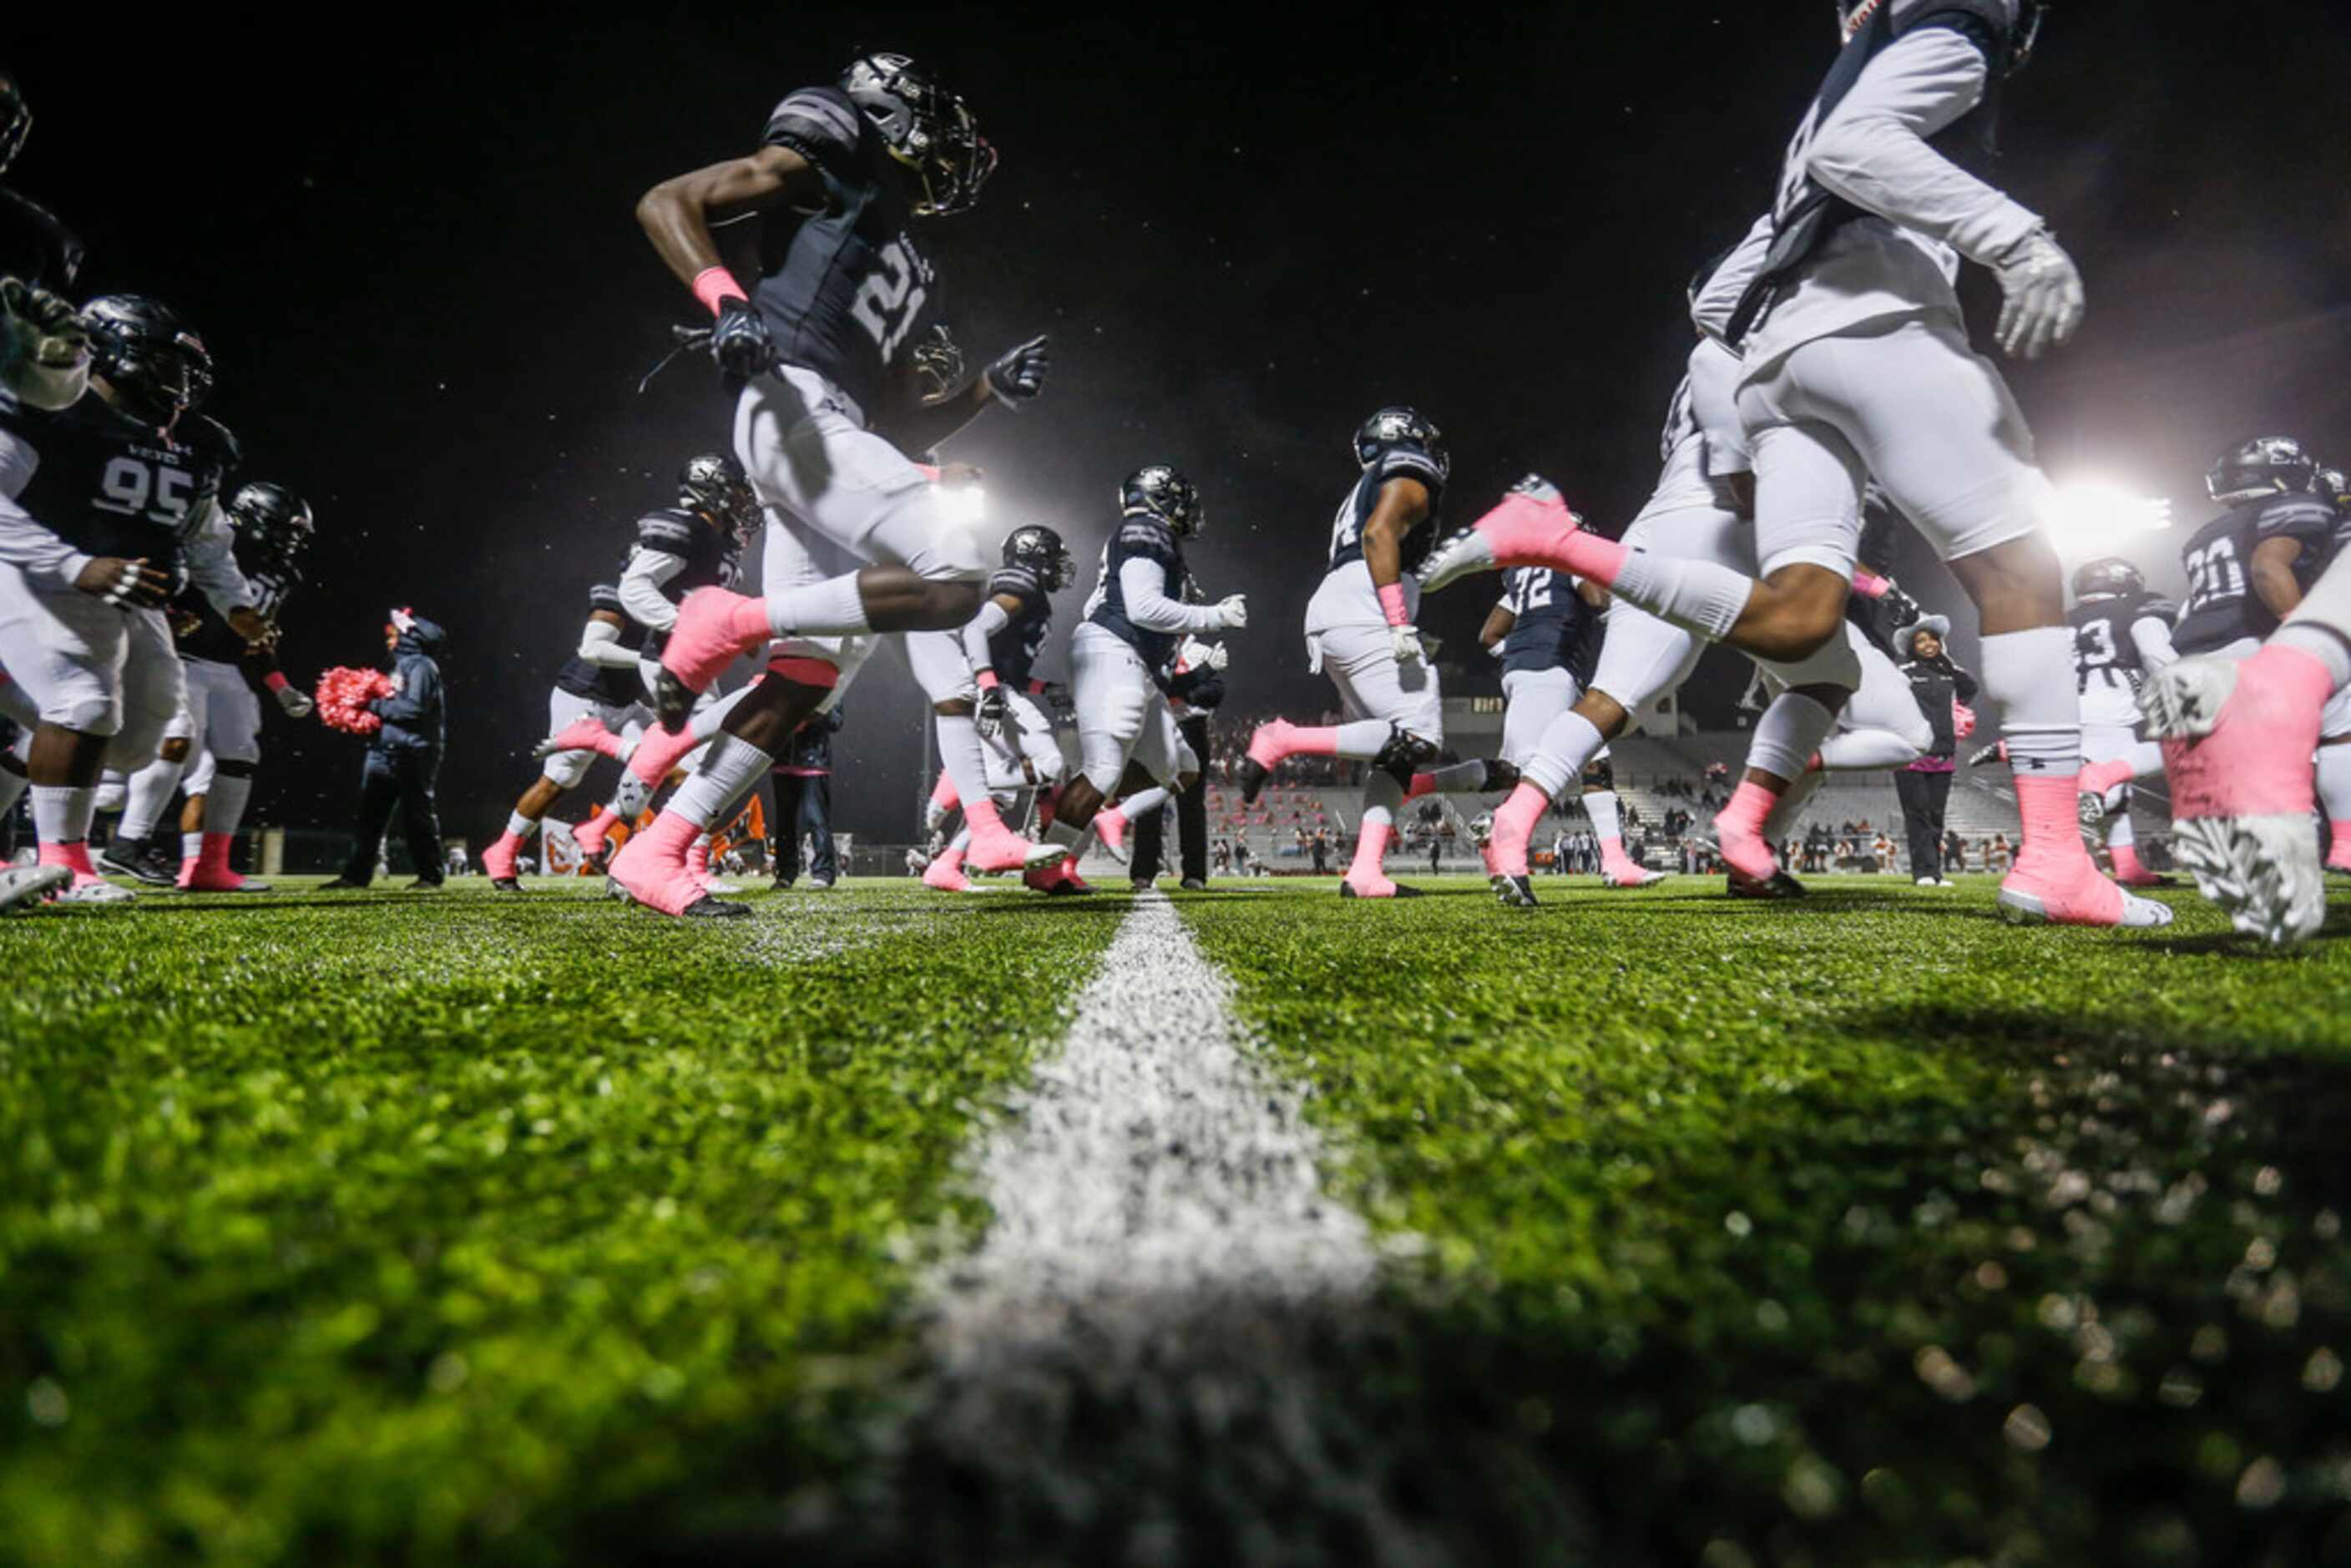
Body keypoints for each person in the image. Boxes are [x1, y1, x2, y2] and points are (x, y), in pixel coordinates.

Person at [1423, 3, 2161, 930]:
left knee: (1799, 633)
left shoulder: (1822, 110)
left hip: (1780, 369)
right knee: (2021, 570)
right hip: (1865, 337)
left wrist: (1785, 366)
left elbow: (1727, 297)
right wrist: (2015, 241)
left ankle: (1572, 568)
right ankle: (2054, 857)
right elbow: (1854, 147)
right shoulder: (1943, 31)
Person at [616, 53, 1060, 917]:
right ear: (895, 113)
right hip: (789, 401)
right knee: (957, 573)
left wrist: (985, 394)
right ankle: (726, 619)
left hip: (831, 433)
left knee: (807, 675)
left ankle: (657, 852)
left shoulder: (910, 248)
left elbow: (896, 428)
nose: (954, 146)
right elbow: (666, 201)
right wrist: (725, 301)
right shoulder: (837, 145)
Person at [0, 294, 262, 903]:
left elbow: (205, 537)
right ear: (115, 352)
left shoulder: (198, 443)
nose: (182, 386)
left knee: (138, 737)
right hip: (40, 577)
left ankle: (22, 714)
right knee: (82, 703)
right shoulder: (51, 411)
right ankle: (67, 868)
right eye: (168, 367)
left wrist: (236, 605)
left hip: (132, 598)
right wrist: (74, 563)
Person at [1239, 408, 1510, 898]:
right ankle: (1283, 737)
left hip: (1340, 605)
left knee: (1396, 756)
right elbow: (1377, 535)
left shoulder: (1364, 486)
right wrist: (1398, 620)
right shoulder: (1408, 469)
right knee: (1420, 734)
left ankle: (1365, 872)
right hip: (1364, 605)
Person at [102, 481, 318, 890]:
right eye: (287, 529)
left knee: (241, 754)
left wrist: (281, 687)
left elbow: (257, 640)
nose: (291, 541)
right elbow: (164, 582)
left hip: (227, 668)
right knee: (178, 737)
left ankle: (210, 866)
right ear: (257, 517)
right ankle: (129, 841)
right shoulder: (212, 545)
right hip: (181, 658)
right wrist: (165, 615)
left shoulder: (283, 573)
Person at [1034, 466, 1241, 866]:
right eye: (1179, 499)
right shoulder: (1146, 528)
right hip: (1115, 651)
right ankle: (1049, 868)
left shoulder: (1146, 534)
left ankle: (1094, 807)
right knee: (1104, 767)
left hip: (1133, 660)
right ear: (1158, 497)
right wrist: (1213, 616)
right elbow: (1142, 607)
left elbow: (1101, 605)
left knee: (1183, 770)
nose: (1187, 509)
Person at [2064, 556, 2179, 887]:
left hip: (2069, 708)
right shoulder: (2139, 608)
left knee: (2115, 794)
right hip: (2111, 709)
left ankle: (2126, 866)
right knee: (2186, 749)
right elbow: (2155, 652)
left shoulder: (2063, 620)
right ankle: (2080, 866)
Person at [322, 609, 447, 891]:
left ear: (413, 638)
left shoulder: (422, 667)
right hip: (383, 749)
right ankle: (355, 876)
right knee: (369, 817)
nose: (390, 636)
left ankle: (430, 876)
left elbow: (414, 708)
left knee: (417, 815)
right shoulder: (397, 666)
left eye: (397, 633)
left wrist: (370, 707)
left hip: (414, 751)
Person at [1892, 615, 1976, 885]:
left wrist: (1949, 662)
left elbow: (1970, 688)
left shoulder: (1948, 673)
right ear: (1912, 646)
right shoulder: (1904, 673)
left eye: (1933, 639)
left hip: (1944, 751)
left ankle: (1935, 873)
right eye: (1921, 640)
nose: (1928, 644)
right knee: (1917, 815)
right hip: (1912, 752)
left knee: (1936, 816)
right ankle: (1922, 872)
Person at [771, 707, 842, 888]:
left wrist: (808, 713)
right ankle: (785, 874)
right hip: (782, 761)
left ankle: (823, 874)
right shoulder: (781, 682)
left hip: (814, 762)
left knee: (817, 820)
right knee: (784, 824)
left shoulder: (831, 685)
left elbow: (835, 722)